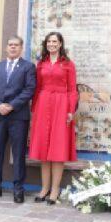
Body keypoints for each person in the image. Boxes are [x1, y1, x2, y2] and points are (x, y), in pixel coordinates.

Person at [0, 36, 36, 203]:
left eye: (16, 45)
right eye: (10, 45)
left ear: (21, 48)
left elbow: (29, 89)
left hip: (18, 116)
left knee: (18, 153)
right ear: (6, 48)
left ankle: (18, 189)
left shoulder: (28, 67)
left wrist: (11, 106)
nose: (12, 47)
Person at [29, 32, 78, 204]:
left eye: (54, 41)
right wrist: (34, 108)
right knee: (44, 148)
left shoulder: (68, 64)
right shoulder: (41, 64)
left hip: (61, 104)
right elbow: (37, 88)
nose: (51, 44)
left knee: (57, 148)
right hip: (43, 104)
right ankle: (44, 188)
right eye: (49, 41)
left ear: (60, 44)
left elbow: (72, 89)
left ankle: (55, 189)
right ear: (46, 44)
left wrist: (71, 110)